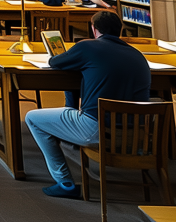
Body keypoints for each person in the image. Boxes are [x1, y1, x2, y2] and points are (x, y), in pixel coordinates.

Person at [24, 11, 151, 198]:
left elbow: (54, 62)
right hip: (136, 136)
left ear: (94, 29)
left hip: (96, 129)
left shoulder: (87, 47)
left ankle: (64, 182)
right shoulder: (138, 55)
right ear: (120, 30)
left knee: (32, 118)